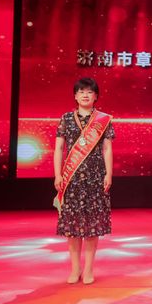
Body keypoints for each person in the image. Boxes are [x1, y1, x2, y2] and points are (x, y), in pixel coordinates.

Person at [54, 77, 114, 285]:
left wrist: (108, 174)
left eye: (89, 92)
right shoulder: (66, 119)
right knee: (72, 226)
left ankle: (88, 269)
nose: (85, 95)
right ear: (75, 96)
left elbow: (107, 149)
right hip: (71, 179)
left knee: (92, 226)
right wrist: (58, 174)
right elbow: (59, 148)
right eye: (81, 92)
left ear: (96, 96)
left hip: (95, 178)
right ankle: (75, 269)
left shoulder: (103, 120)